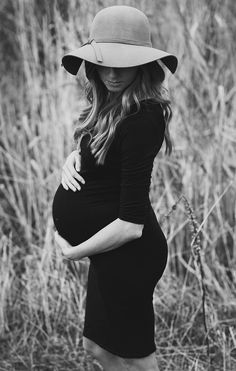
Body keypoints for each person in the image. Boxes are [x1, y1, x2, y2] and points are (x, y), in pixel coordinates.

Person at [52, 5, 177, 371]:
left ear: (143, 65)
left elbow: (131, 225)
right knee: (98, 348)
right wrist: (74, 156)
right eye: (104, 63)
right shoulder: (107, 101)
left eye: (123, 64)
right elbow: (104, 153)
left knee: (137, 359)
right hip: (109, 254)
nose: (111, 73)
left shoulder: (144, 118)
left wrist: (74, 253)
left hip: (130, 256)